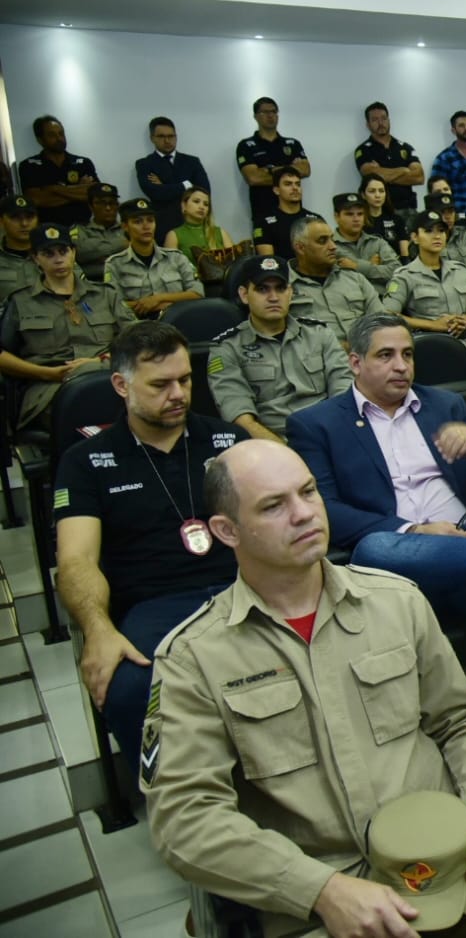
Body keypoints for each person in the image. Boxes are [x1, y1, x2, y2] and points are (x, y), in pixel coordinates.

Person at [142, 439, 466, 938]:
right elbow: (187, 819)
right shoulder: (193, 658)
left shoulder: (396, 602)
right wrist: (320, 890)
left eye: (309, 492)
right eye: (274, 506)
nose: (304, 514)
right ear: (227, 530)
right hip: (328, 889)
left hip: (459, 853)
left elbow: (460, 721)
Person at [53, 322, 246, 765]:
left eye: (185, 380)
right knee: (128, 692)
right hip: (153, 604)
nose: (177, 393)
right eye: (160, 384)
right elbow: (76, 560)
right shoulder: (86, 462)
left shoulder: (228, 441)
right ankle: (182, 801)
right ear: (121, 385)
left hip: (243, 589)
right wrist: (98, 630)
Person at [286, 313, 466, 624]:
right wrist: (416, 531)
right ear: (355, 363)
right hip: (395, 547)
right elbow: (325, 509)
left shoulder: (446, 405)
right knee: (374, 548)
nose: (401, 366)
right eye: (385, 355)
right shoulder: (316, 424)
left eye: (407, 354)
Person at [0, 224, 137, 430]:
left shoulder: (105, 295)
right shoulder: (21, 302)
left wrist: (101, 361)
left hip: (107, 375)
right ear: (36, 258)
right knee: (83, 413)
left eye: (63, 251)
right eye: (48, 253)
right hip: (51, 388)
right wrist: (45, 373)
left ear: (73, 253)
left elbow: (139, 338)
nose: (58, 259)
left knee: (144, 406)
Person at [208, 254, 351, 442]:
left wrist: (335, 438)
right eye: (262, 289)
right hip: (273, 443)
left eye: (281, 288)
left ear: (290, 293)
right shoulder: (227, 348)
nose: (274, 297)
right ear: (244, 294)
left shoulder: (319, 333)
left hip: (330, 433)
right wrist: (286, 454)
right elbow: (241, 418)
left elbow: (344, 389)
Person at [286, 215, 385, 347]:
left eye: (332, 239)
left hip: (366, 357)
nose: (333, 246)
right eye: (322, 241)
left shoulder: (355, 279)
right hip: (316, 362)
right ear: (300, 248)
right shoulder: (283, 288)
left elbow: (382, 322)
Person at [383, 211, 466, 338]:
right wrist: (432, 324)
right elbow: (388, 316)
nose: (437, 236)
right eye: (429, 231)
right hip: (429, 342)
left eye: (441, 231)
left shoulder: (461, 270)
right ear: (415, 237)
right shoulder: (405, 276)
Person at [103, 196, 203, 317]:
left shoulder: (176, 257)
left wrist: (158, 299)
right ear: (125, 226)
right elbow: (113, 304)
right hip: (140, 326)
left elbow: (198, 293)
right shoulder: (114, 264)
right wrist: (150, 305)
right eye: (138, 221)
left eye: (150, 220)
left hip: (179, 320)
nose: (146, 226)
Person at [236, 97, 312, 233]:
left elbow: (305, 170)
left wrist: (268, 170)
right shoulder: (246, 145)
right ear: (255, 116)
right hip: (263, 212)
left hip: (294, 213)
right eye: (265, 112)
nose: (270, 116)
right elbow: (253, 178)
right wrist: (289, 169)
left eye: (274, 112)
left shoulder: (292, 143)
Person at [19, 114, 98, 227]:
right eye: (52, 135)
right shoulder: (29, 166)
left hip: (83, 227)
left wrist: (53, 189)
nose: (59, 138)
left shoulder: (83, 163)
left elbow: (94, 194)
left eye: (61, 133)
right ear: (40, 139)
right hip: (47, 230)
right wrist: (78, 190)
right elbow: (36, 200)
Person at [135, 116, 211, 232]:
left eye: (171, 136)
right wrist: (187, 185)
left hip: (193, 224)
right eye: (161, 136)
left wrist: (164, 186)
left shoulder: (192, 162)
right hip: (164, 225)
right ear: (152, 138)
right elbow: (156, 194)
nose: (167, 141)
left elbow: (204, 192)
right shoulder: (144, 164)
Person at [354, 101, 424, 212]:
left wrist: (384, 174)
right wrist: (404, 170)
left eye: (383, 118)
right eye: (375, 120)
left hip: (409, 209)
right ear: (368, 124)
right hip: (380, 210)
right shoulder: (363, 150)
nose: (381, 123)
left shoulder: (406, 148)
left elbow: (419, 177)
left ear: (389, 120)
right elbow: (370, 175)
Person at [329, 190, 400, 286]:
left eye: (360, 214)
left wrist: (357, 266)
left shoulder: (377, 242)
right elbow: (333, 279)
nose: (356, 219)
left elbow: (397, 272)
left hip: (381, 298)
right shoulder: (329, 245)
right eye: (349, 214)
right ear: (337, 217)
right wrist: (371, 266)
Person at [162, 186, 236, 276]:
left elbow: (234, 265)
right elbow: (171, 271)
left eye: (206, 204)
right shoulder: (174, 235)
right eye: (196, 201)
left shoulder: (220, 232)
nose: (202, 207)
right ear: (184, 205)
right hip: (191, 286)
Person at [72, 182, 129, 282]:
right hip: (91, 283)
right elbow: (80, 254)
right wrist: (121, 245)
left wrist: (97, 254)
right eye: (102, 203)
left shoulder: (128, 228)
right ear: (91, 206)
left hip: (124, 281)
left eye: (112, 203)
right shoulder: (80, 229)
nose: (108, 208)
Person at [251, 166, 306, 257]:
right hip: (281, 270)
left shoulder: (314, 219)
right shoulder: (263, 222)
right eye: (288, 184)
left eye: (298, 184)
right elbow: (269, 261)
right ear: (276, 190)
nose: (295, 188)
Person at [359, 172, 408, 255]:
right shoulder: (359, 221)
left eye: (381, 191)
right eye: (372, 191)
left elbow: (405, 254)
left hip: (396, 265)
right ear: (363, 195)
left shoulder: (396, 220)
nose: (377, 195)